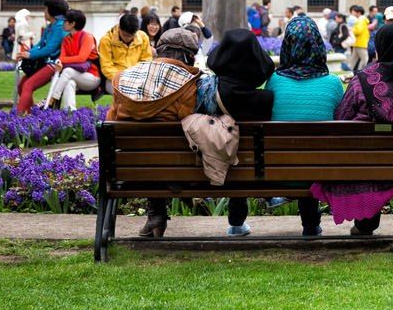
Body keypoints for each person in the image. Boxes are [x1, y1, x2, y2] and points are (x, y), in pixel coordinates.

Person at [312, 20, 393, 235]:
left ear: (381, 46)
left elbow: (343, 119)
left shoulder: (361, 80)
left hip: (360, 162)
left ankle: (365, 224)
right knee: (388, 159)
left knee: (370, 160)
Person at [111, 28, 204, 238]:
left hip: (129, 167)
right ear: (190, 56)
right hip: (177, 167)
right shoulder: (191, 83)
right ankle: (159, 213)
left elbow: (111, 120)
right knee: (168, 153)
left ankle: (156, 215)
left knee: (151, 155)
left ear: (158, 50)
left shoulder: (123, 77)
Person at [261, 15, 342, 237]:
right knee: (312, 156)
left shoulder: (275, 82)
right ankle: (310, 225)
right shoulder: (333, 84)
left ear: (287, 45)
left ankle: (310, 225)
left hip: (281, 169)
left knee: (299, 156)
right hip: (323, 171)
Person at [204, 28, 276, 237]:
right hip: (257, 166)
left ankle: (236, 223)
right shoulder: (266, 99)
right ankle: (237, 223)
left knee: (235, 156)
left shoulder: (210, 95)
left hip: (221, 165)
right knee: (245, 156)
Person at [16, 0, 69, 113]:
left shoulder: (60, 27)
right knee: (22, 86)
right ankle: (33, 115)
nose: (44, 12)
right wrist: (28, 53)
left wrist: (30, 55)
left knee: (28, 86)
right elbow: (40, 44)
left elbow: (49, 49)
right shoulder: (51, 26)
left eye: (46, 9)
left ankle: (18, 117)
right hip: (46, 62)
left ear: (52, 12)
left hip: (55, 64)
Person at [42, 9, 101, 110]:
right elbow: (62, 58)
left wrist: (62, 61)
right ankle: (70, 114)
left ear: (73, 23)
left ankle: (52, 99)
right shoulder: (66, 39)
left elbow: (82, 58)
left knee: (68, 71)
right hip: (74, 77)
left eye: (65, 21)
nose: (63, 23)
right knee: (69, 83)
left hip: (91, 77)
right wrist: (61, 62)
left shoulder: (87, 37)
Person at [98, 12, 153, 93]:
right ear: (119, 28)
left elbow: (146, 62)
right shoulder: (106, 40)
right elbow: (106, 66)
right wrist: (122, 79)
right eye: (125, 35)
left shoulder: (143, 37)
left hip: (137, 79)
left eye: (132, 35)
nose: (128, 38)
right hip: (114, 79)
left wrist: (136, 78)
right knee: (125, 93)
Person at [347, 5, 370, 71]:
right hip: (360, 43)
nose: (353, 13)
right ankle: (358, 72)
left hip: (359, 43)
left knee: (364, 59)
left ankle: (358, 72)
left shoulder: (361, 20)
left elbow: (358, 31)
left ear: (359, 13)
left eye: (354, 12)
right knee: (357, 59)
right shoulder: (363, 20)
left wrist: (351, 30)